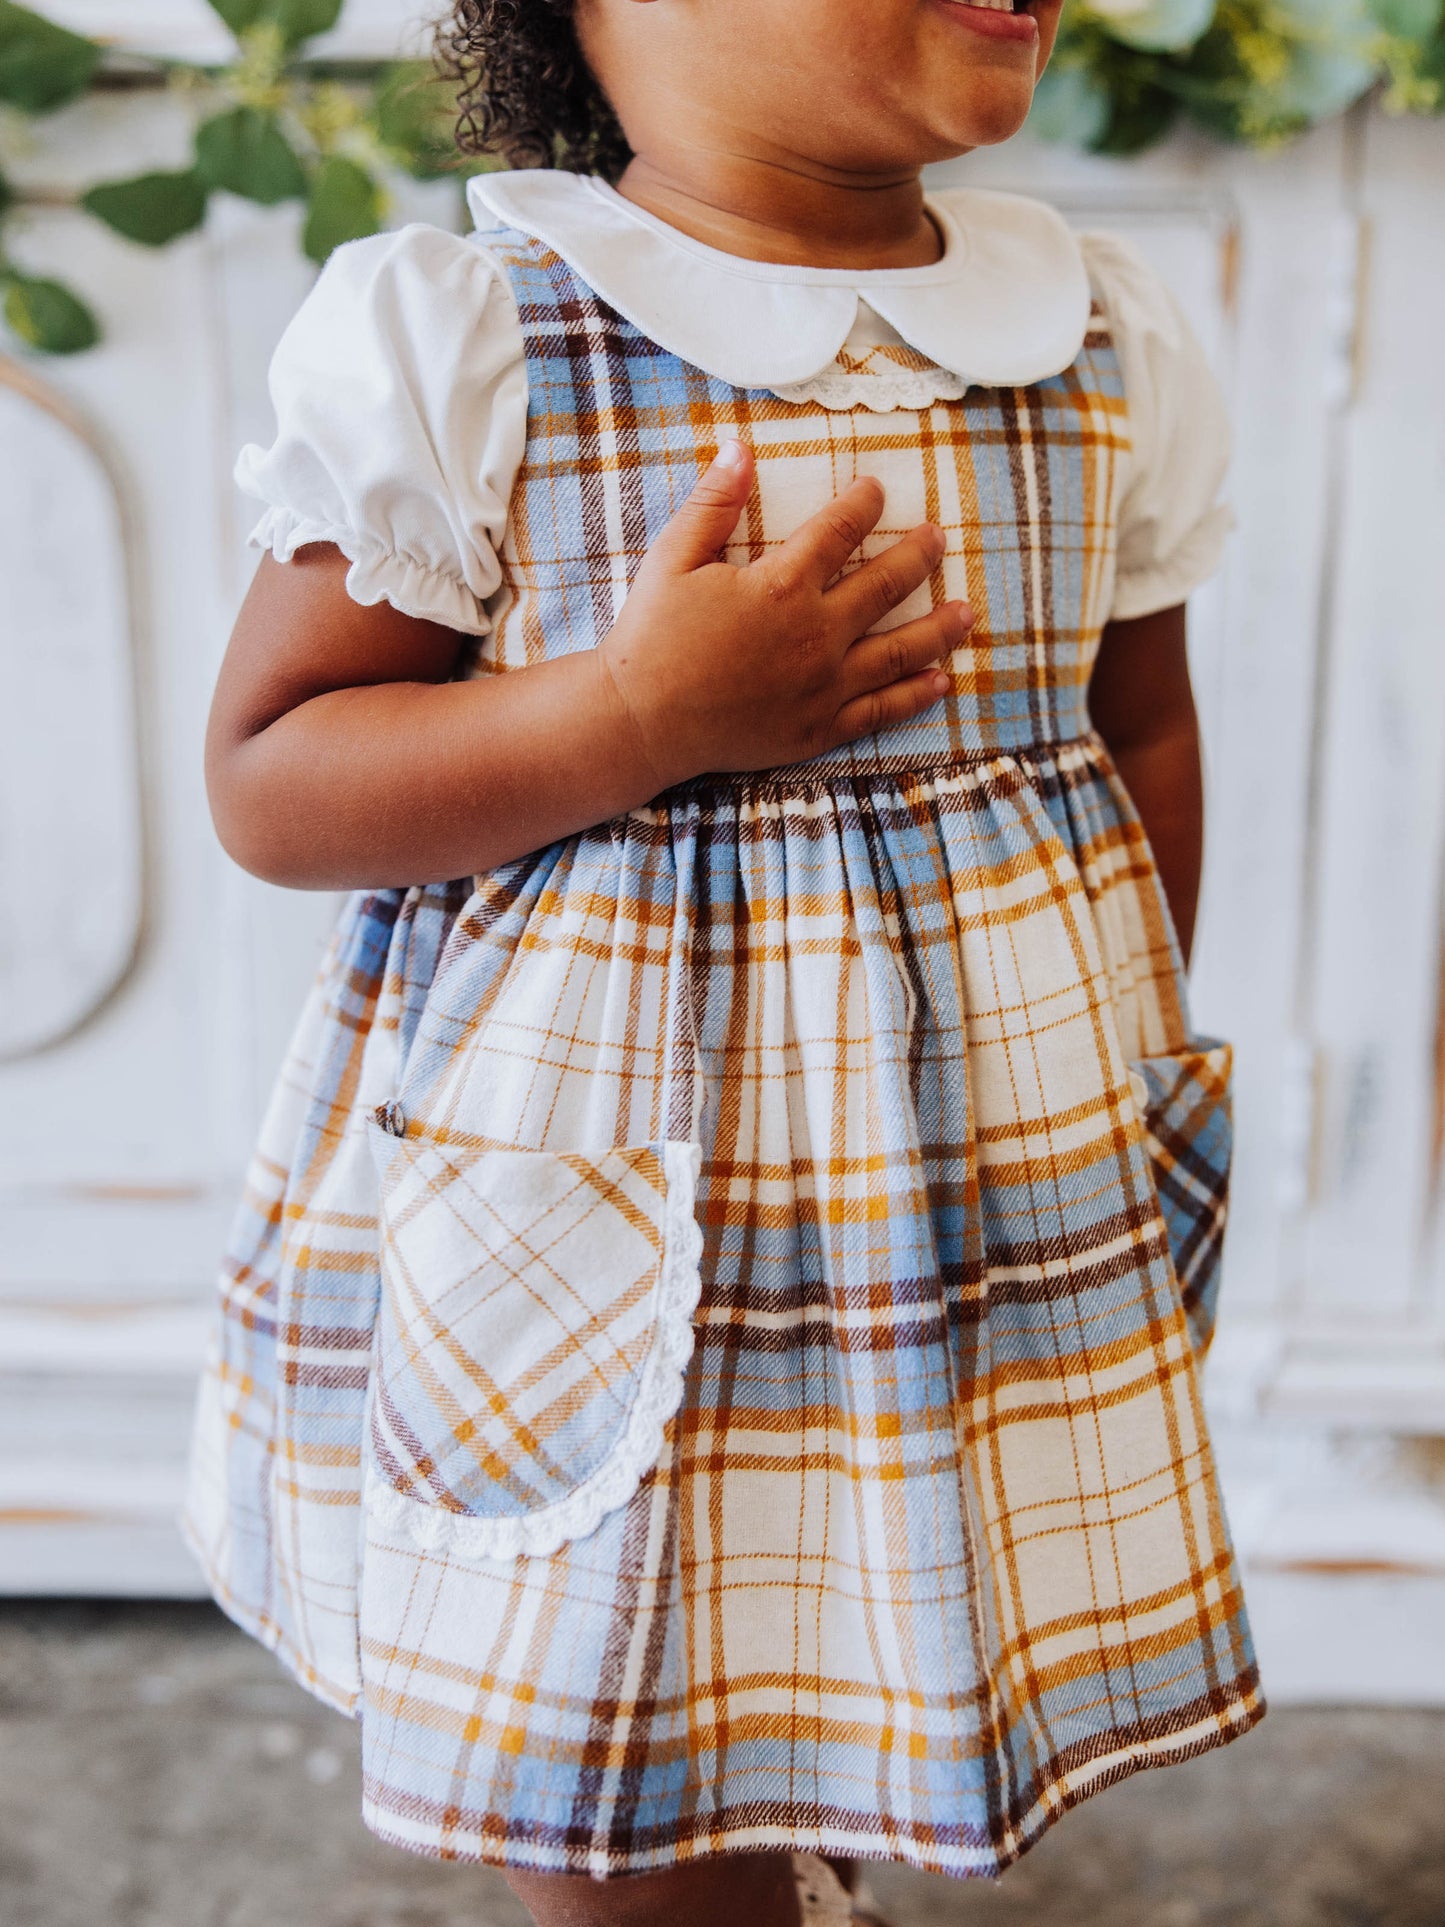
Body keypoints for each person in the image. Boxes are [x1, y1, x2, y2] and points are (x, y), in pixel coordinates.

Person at [182, 1, 1265, 1920]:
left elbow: (1137, 724)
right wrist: (631, 713)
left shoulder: (1097, 332)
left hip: (968, 1188)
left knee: (848, 1663)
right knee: (602, 1738)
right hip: (614, 1213)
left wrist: (1131, 1044)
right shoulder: (479, 331)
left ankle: (813, 1885)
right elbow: (277, 783)